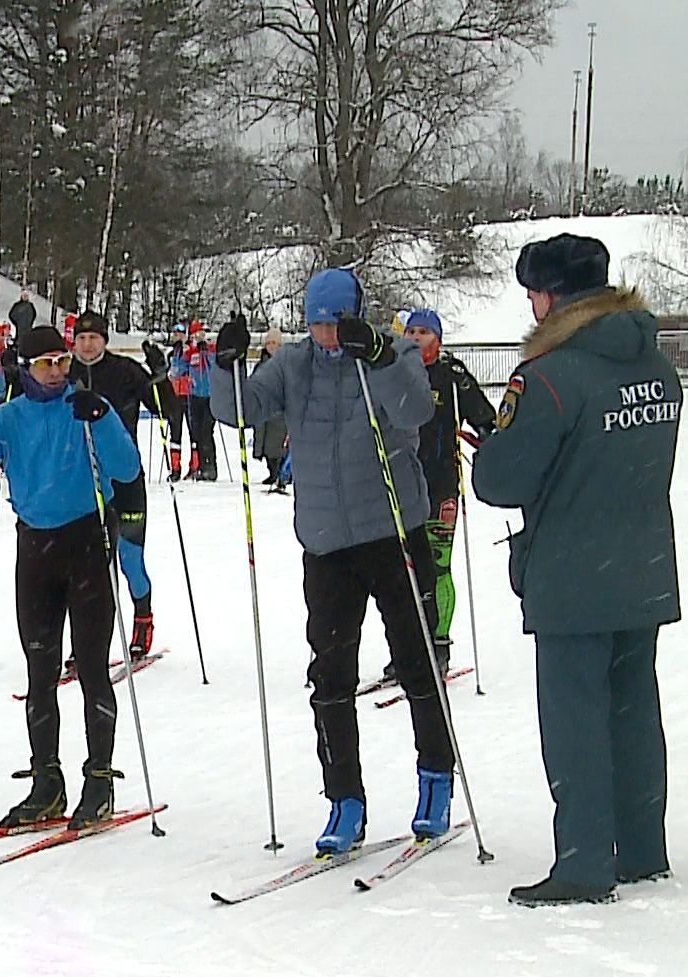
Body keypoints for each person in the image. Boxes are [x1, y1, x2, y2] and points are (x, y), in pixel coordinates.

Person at [472, 235, 681, 908]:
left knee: (575, 721)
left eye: (534, 292)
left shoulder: (550, 377)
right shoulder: (655, 364)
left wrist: (492, 448)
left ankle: (585, 862)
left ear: (554, 295)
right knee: (633, 709)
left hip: (570, 570)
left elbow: (503, 480)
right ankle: (642, 847)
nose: (531, 306)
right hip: (642, 561)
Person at [212, 268, 452, 854]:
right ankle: (344, 798)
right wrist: (225, 365)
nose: (326, 335)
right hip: (325, 543)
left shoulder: (391, 353)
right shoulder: (293, 364)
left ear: (355, 315)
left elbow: (417, 409)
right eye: (317, 323)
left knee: (415, 661)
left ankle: (435, 777)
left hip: (392, 531)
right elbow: (240, 410)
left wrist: (380, 357)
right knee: (331, 675)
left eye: (335, 323)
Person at [0, 325, 142, 829]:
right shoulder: (10, 417)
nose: (56, 371)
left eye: (61, 360)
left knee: (93, 666)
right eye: (45, 363)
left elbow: (126, 468)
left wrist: (103, 420)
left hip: (85, 543)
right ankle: (46, 781)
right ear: (26, 367)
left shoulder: (84, 407)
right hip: (35, 549)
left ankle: (99, 779)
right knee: (40, 670)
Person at [66, 310, 167, 660]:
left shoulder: (124, 371)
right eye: (81, 338)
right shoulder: (67, 373)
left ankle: (142, 617)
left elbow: (166, 409)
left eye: (93, 338)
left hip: (125, 480)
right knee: (88, 568)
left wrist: (160, 378)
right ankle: (88, 644)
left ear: (105, 341)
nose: (87, 344)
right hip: (83, 484)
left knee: (129, 559)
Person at [400, 308, 496, 670]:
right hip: (401, 487)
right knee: (404, 571)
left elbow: (484, 417)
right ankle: (409, 647)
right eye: (411, 331)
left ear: (438, 339)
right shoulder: (394, 370)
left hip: (440, 486)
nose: (416, 338)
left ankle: (439, 643)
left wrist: (489, 440)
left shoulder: (451, 374)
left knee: (438, 566)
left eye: (424, 332)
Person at [184, 320, 223, 481]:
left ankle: (210, 467)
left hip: (209, 396)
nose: (199, 338)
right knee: (197, 432)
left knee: (207, 431)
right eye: (195, 335)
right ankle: (199, 465)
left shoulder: (210, 349)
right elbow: (179, 370)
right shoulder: (190, 352)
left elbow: (215, 367)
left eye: (201, 334)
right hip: (194, 396)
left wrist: (206, 352)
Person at [253, 327, 291, 491]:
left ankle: (281, 473)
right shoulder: (261, 363)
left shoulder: (286, 363)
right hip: (263, 407)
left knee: (277, 443)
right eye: (268, 343)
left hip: (279, 409)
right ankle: (272, 471)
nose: (271, 346)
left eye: (274, 343)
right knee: (263, 442)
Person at [164, 323, 193, 481]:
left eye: (180, 333)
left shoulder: (189, 351)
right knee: (175, 433)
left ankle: (194, 466)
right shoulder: (171, 353)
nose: (177, 335)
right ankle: (175, 468)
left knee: (192, 432)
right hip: (174, 396)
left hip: (188, 394)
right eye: (175, 332)